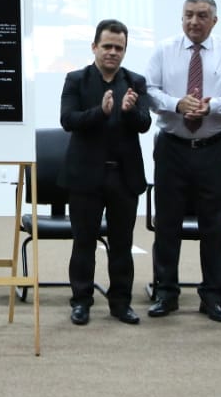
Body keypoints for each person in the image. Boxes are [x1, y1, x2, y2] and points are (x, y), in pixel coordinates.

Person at [145, 0, 221, 322]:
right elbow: (149, 90)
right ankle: (165, 293)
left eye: (202, 16)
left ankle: (213, 297)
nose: (194, 21)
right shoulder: (164, 49)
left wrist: (212, 106)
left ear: (214, 21)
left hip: (213, 149)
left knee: (213, 226)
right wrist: (176, 104)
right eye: (188, 15)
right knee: (167, 225)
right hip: (172, 148)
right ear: (181, 18)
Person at [59, 19, 152, 326]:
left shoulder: (135, 81)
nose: (113, 52)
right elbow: (68, 120)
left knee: (122, 244)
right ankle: (81, 301)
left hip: (124, 177)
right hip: (86, 176)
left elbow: (145, 124)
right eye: (107, 46)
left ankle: (121, 303)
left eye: (119, 48)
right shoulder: (76, 79)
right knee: (84, 242)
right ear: (94, 47)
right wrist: (101, 112)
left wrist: (129, 111)